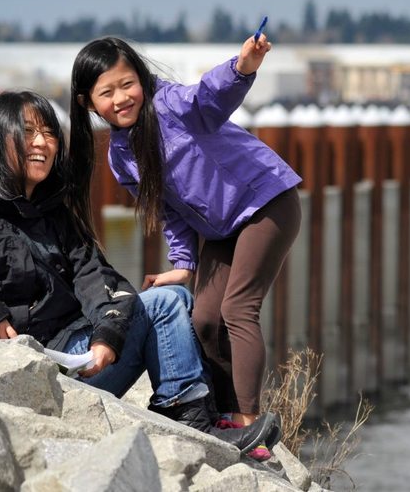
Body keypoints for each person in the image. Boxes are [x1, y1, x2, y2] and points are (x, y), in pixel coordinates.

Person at [0, 90, 278, 454]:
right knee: (166, 301)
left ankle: (191, 417)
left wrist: (108, 332)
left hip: (82, 363)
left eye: (48, 133)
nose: (43, 143)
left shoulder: (56, 215)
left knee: (172, 298)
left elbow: (97, 278)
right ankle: (192, 423)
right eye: (28, 132)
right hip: (33, 375)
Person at [67, 36, 302, 460]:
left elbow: (209, 97)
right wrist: (183, 264)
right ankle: (228, 415)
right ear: (87, 103)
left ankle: (250, 422)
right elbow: (169, 211)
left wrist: (242, 67)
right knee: (205, 319)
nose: (121, 98)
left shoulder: (172, 104)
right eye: (107, 92)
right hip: (222, 229)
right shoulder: (122, 158)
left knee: (237, 310)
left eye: (127, 84)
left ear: (141, 78)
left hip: (266, 201)